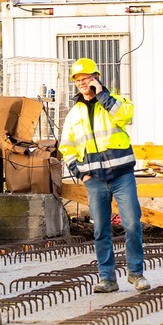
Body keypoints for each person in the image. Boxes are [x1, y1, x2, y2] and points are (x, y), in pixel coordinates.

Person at [60, 57, 148, 294]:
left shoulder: (114, 101)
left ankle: (136, 274)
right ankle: (107, 278)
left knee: (131, 224)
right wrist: (79, 173)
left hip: (122, 176)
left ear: (96, 78)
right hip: (95, 180)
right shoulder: (74, 113)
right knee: (101, 230)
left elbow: (126, 115)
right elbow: (66, 146)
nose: (82, 83)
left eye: (86, 78)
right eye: (78, 80)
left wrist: (103, 96)